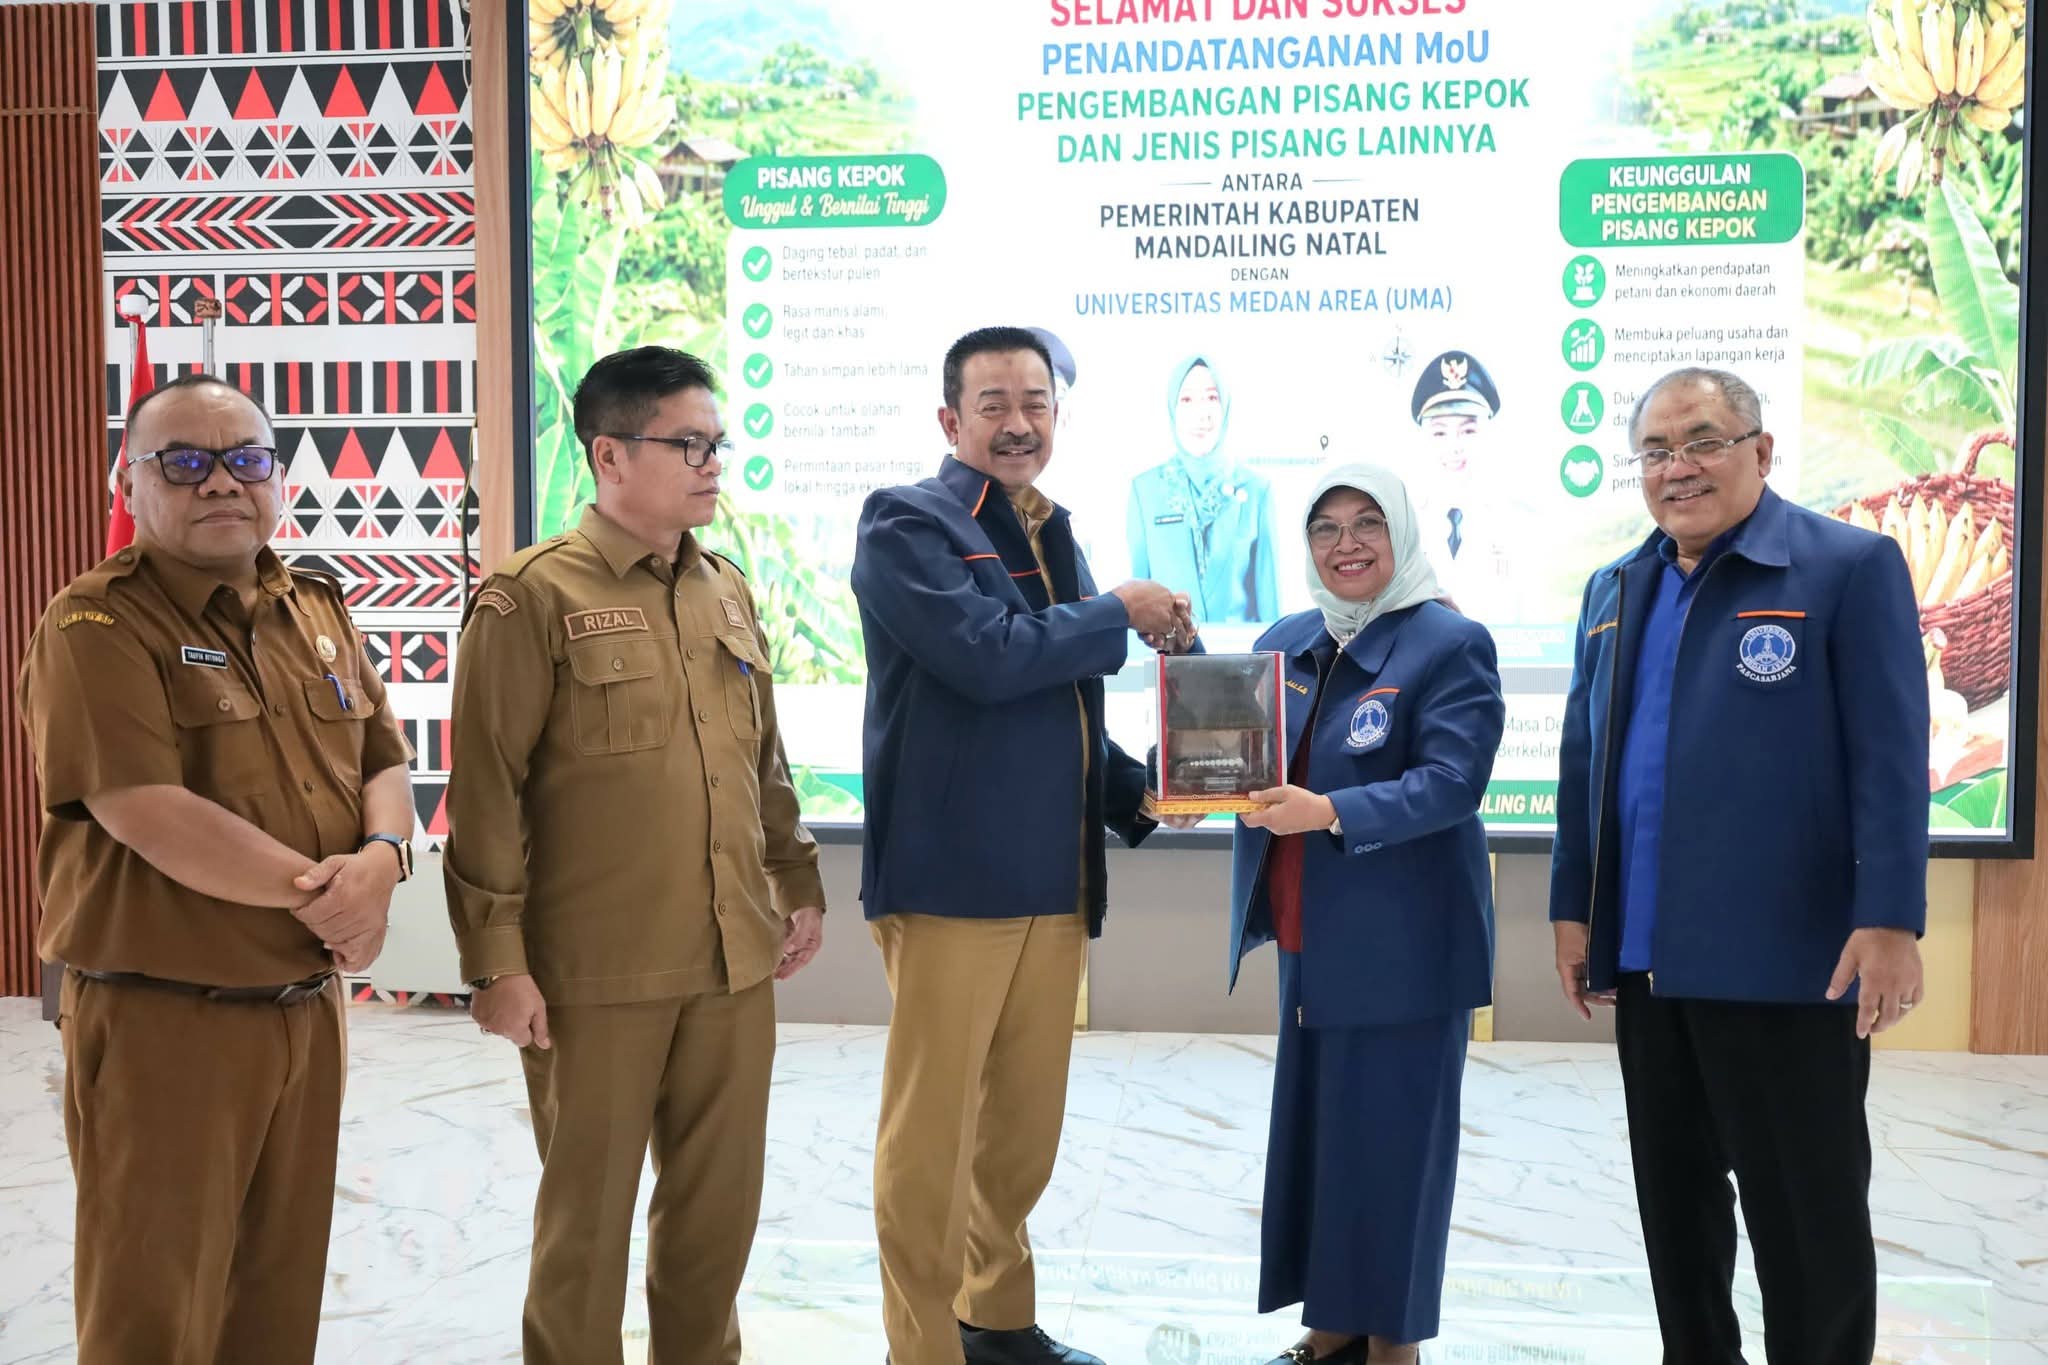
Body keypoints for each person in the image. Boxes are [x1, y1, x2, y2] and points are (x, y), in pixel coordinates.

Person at [17, 374, 416, 1364]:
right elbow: (146, 810)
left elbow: (383, 759)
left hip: (302, 1013)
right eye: (185, 463)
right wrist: (333, 903)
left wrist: (382, 858)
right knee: (154, 1307)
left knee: (276, 1296)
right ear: (132, 479)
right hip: (164, 1017)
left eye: (245, 460)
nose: (221, 484)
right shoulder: (98, 628)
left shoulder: (313, 606)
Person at [442, 346, 826, 1365]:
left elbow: (762, 761)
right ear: (609, 455)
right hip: (591, 974)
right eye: (686, 443)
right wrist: (497, 962)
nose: (711, 462)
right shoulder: (528, 598)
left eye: (717, 442)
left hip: (730, 960)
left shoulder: (722, 589)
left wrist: (795, 882)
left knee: (715, 1224)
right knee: (586, 1229)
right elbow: (483, 793)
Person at [1548, 367, 1929, 1364]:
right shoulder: (1613, 588)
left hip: (1790, 963)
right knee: (1675, 1219)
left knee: (1804, 1222)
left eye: (1703, 441)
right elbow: (1584, 762)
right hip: (1645, 960)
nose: (1679, 469)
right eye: (1656, 451)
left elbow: (1891, 758)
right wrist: (1570, 909)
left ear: (1759, 451)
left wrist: (1889, 917)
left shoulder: (1845, 567)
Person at [851, 325, 1189, 1365]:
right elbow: (988, 661)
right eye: (992, 402)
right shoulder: (906, 523)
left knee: (1018, 1135)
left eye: (1034, 402)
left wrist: (1170, 794)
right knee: (932, 1140)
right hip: (952, 881)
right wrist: (1116, 610)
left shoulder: (1048, 529)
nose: (1016, 422)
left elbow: (1062, 710)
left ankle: (996, 1323)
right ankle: (924, 1347)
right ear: (949, 419)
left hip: (1050, 879)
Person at [1226, 464, 1504, 1365]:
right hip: (1311, 938)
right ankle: (1333, 1328)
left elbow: (1453, 783)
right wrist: (1178, 778)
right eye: (1325, 528)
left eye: (1367, 522)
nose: (1346, 544)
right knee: (1325, 1145)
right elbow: (1232, 750)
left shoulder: (1449, 642)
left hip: (1406, 948)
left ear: (1403, 533)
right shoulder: (1287, 639)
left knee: (1396, 1156)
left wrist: (1334, 811)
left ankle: (1393, 1344)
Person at [1127, 354, 1280, 624]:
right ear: (1172, 408)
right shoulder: (1145, 490)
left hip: (1241, 658)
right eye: (1187, 400)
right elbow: (1137, 601)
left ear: (1226, 406)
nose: (1202, 413)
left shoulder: (1256, 490)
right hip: (1169, 657)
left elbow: (1270, 600)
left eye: (1212, 398)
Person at [1407, 350, 1513, 622]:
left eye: (1468, 431)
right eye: (1440, 433)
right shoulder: (1401, 524)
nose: (1454, 447)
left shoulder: (1520, 519)